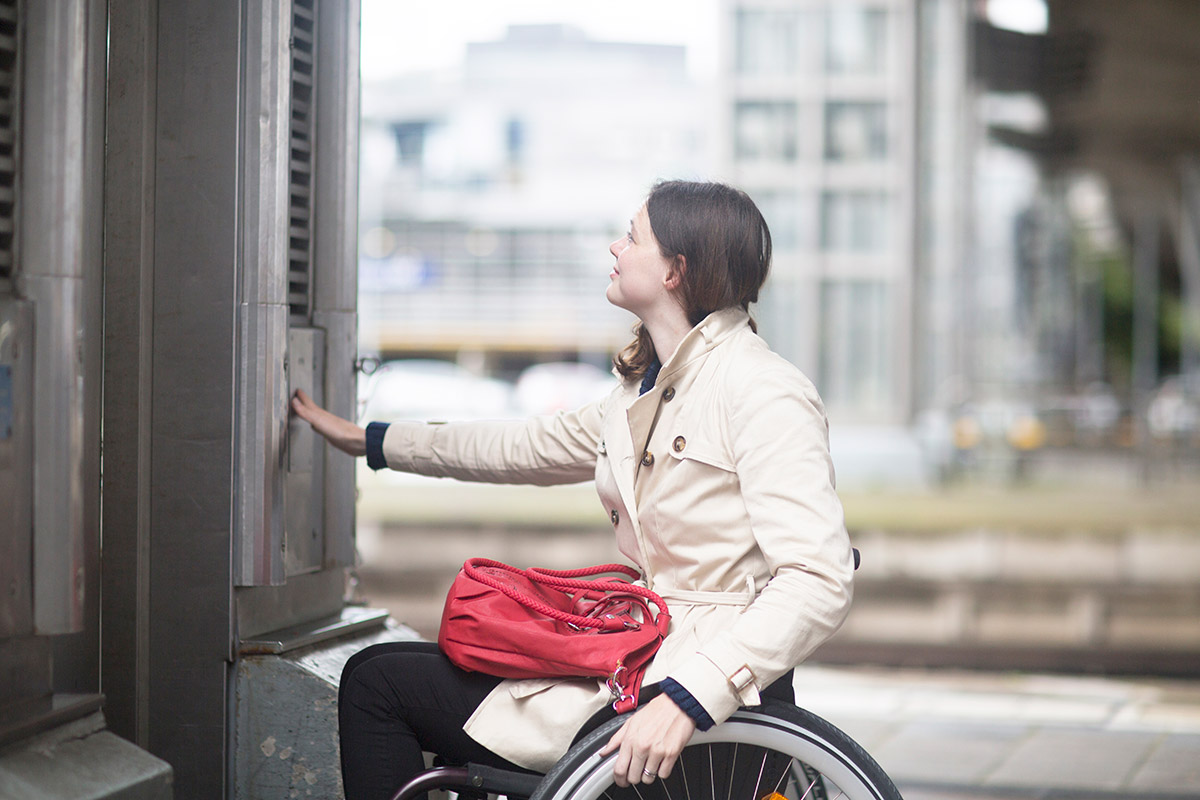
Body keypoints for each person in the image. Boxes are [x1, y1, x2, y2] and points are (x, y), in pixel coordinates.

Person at [291, 180, 855, 800]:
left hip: (692, 694)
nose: (616, 246)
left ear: (677, 269)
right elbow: (518, 447)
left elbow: (817, 578)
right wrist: (371, 441)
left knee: (382, 687)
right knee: (374, 671)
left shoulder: (762, 389)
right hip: (641, 657)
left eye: (634, 235)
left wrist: (694, 697)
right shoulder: (643, 394)